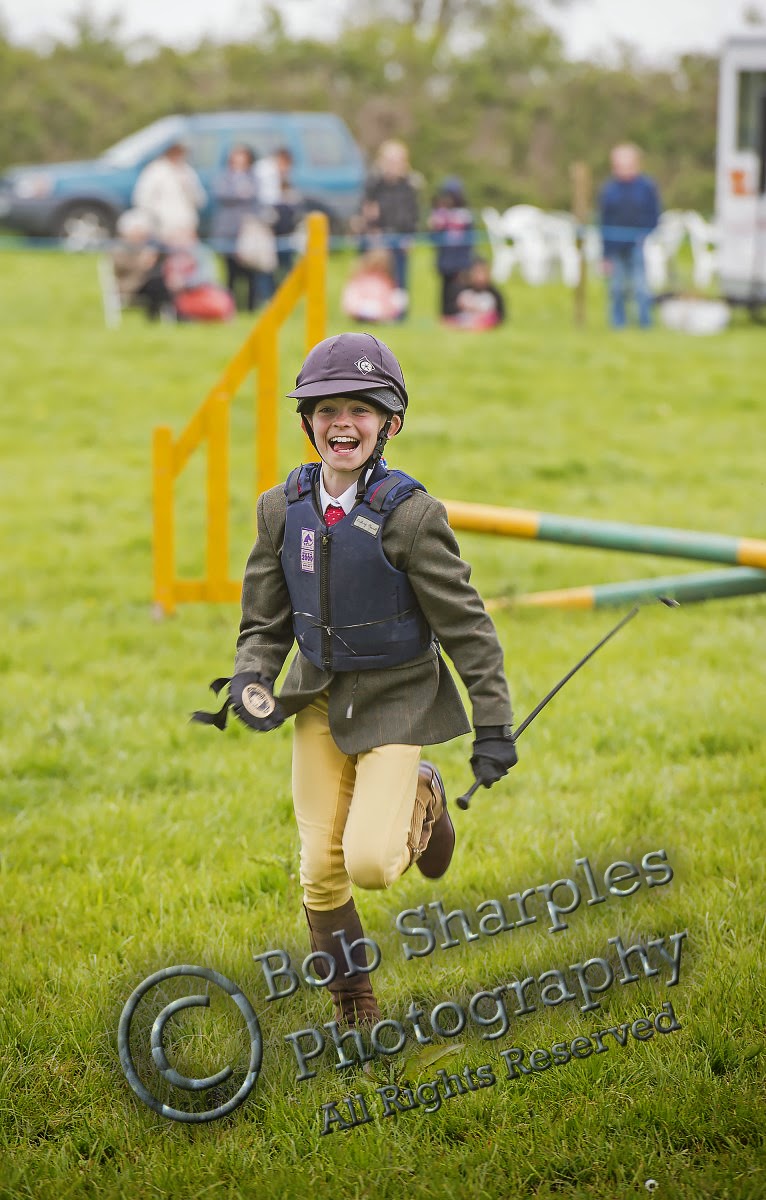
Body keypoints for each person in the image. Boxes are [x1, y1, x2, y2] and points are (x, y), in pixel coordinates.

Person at [193, 332, 518, 1029]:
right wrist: (252, 678)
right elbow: (264, 621)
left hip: (398, 705)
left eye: (361, 410)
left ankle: (424, 794)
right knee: (319, 867)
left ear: (390, 423)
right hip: (316, 703)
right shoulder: (281, 509)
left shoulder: (412, 517)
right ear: (306, 422)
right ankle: (354, 1007)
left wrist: (493, 722)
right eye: (326, 409)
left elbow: (468, 629)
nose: (343, 423)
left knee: (370, 861)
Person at [598, 143, 661, 329]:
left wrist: (645, 234)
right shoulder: (609, 189)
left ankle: (645, 322)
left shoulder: (646, 187)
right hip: (615, 245)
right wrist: (605, 255)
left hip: (637, 244)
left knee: (641, 286)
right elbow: (604, 221)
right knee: (616, 288)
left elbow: (654, 215)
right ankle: (618, 323)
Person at [357, 141, 419, 310]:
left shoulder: (408, 186)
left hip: (400, 239)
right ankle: (371, 309)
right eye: (390, 161)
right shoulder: (374, 185)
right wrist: (372, 229)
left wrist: (410, 236)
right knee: (375, 277)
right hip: (378, 238)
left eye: (397, 161)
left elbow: (413, 213)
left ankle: (399, 312)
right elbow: (366, 209)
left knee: (399, 280)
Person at [211, 145, 262, 312]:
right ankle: (230, 306)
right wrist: (240, 193)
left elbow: (255, 196)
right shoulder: (224, 177)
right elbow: (221, 193)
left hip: (247, 232)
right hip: (228, 232)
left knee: (250, 272)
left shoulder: (254, 177)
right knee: (230, 272)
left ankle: (250, 307)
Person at [132, 141, 207, 243]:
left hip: (186, 225)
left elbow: (200, 200)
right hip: (163, 227)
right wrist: (157, 216)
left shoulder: (188, 171)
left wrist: (189, 188)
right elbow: (142, 198)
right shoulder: (155, 171)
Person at [109, 209, 173, 321]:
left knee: (160, 284)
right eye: (136, 230)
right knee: (158, 285)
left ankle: (164, 316)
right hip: (131, 285)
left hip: (148, 283)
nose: (139, 234)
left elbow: (166, 253)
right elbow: (121, 267)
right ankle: (162, 317)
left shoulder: (148, 247)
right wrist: (141, 263)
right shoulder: (119, 249)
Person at [428, 177, 474, 318]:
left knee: (459, 288)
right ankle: (445, 314)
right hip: (445, 258)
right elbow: (433, 238)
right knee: (445, 287)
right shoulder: (439, 214)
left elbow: (470, 238)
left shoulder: (465, 215)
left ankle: (457, 313)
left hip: (459, 259)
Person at [341, 248, 408, 323]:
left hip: (382, 307)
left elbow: (387, 297)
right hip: (363, 307)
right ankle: (370, 317)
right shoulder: (361, 278)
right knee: (369, 306)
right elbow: (353, 297)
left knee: (399, 296)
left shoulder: (387, 280)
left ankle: (382, 317)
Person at [443, 257, 506, 330]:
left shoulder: (494, 293)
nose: (480, 277)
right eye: (477, 273)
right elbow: (448, 313)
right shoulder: (461, 289)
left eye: (483, 273)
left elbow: (500, 315)